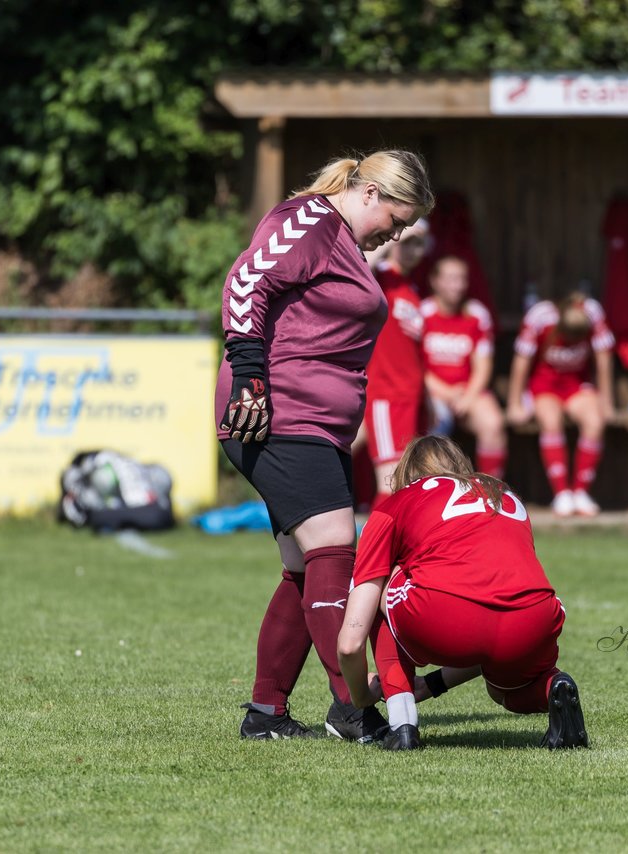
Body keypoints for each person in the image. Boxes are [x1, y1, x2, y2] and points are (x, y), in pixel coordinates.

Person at [216, 150, 434, 741]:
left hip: (317, 423)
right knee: (338, 552)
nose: (396, 234)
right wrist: (249, 373)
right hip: (277, 411)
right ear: (370, 196)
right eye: (396, 221)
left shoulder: (341, 239)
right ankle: (353, 711)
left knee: (303, 569)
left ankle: (266, 716)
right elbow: (246, 282)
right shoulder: (310, 222)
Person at [336, 435, 589, 751]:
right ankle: (556, 685)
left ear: (405, 475)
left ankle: (402, 724)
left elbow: (350, 643)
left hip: (447, 615)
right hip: (536, 613)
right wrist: (431, 685)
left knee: (377, 585)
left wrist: (360, 697)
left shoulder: (393, 506)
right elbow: (489, 610)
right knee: (503, 692)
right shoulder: (504, 494)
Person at [507, 290, 614, 517]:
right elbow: (521, 361)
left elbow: (604, 358)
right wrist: (514, 402)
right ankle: (561, 493)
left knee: (595, 421)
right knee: (550, 420)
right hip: (544, 384)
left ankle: (581, 492)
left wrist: (606, 400)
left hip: (576, 384)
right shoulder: (540, 318)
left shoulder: (593, 313)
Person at [360, 219, 431, 509]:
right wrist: (393, 238)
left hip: (409, 396)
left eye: (418, 244)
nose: (412, 250)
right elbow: (355, 263)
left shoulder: (411, 288)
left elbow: (414, 354)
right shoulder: (380, 276)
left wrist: (428, 399)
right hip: (385, 393)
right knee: (391, 481)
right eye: (407, 242)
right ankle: (375, 551)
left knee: (406, 479)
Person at [420, 255, 507, 479]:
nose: (457, 285)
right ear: (434, 281)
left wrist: (468, 397)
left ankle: (492, 492)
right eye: (450, 279)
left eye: (461, 279)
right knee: (435, 423)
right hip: (431, 390)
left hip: (468, 390)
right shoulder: (422, 312)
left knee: (493, 423)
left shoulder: (476, 314)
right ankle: (432, 491)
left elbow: (483, 365)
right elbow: (415, 366)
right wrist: (446, 393)